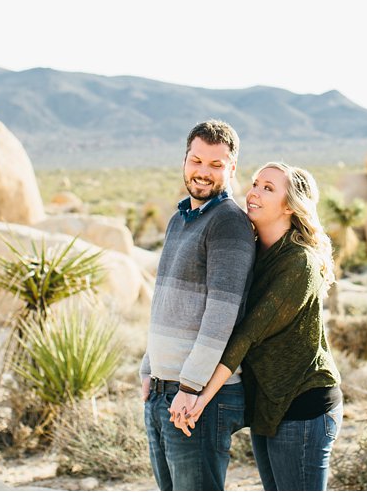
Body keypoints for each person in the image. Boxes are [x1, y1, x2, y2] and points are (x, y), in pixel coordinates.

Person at [179, 162, 341, 491]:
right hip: (267, 403)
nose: (254, 193)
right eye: (255, 184)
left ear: (290, 205)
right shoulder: (253, 253)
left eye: (268, 188)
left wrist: (200, 396)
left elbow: (248, 334)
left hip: (304, 405)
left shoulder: (299, 262)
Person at [139, 119, 257, 490]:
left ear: (232, 169)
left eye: (215, 165)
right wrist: (149, 368)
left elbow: (222, 314)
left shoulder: (228, 223)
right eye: (196, 161)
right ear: (185, 160)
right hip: (163, 390)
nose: (202, 173)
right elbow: (165, 301)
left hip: (198, 398)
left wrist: (189, 388)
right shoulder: (179, 220)